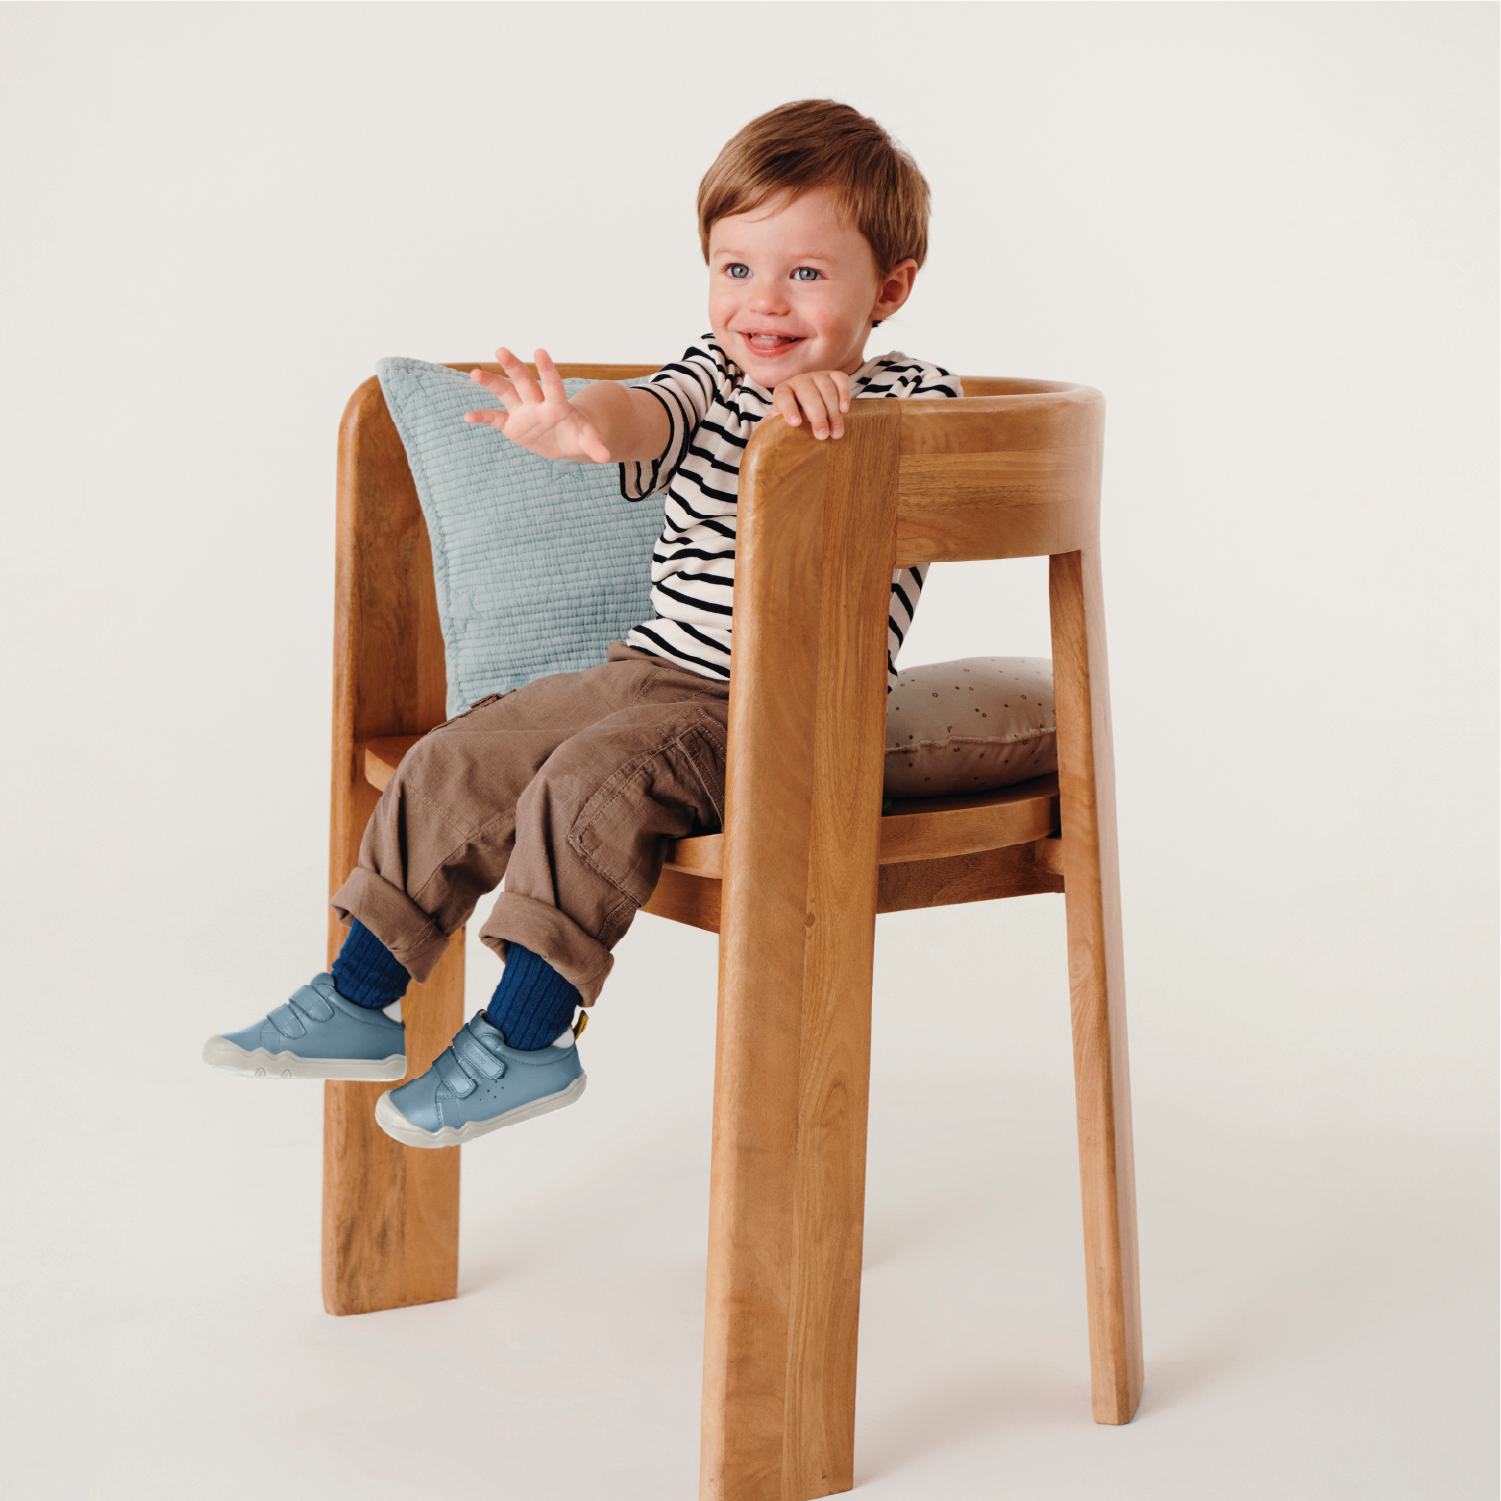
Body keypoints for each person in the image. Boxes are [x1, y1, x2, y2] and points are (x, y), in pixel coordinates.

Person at [202, 98, 961, 1148]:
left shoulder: (906, 394)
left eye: (804, 273)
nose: (762, 302)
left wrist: (840, 414)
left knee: (591, 781)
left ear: (890, 288)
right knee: (459, 755)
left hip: (779, 704)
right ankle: (358, 997)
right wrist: (577, 425)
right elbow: (641, 411)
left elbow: (930, 461)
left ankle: (527, 1038)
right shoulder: (712, 375)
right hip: (649, 668)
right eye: (735, 268)